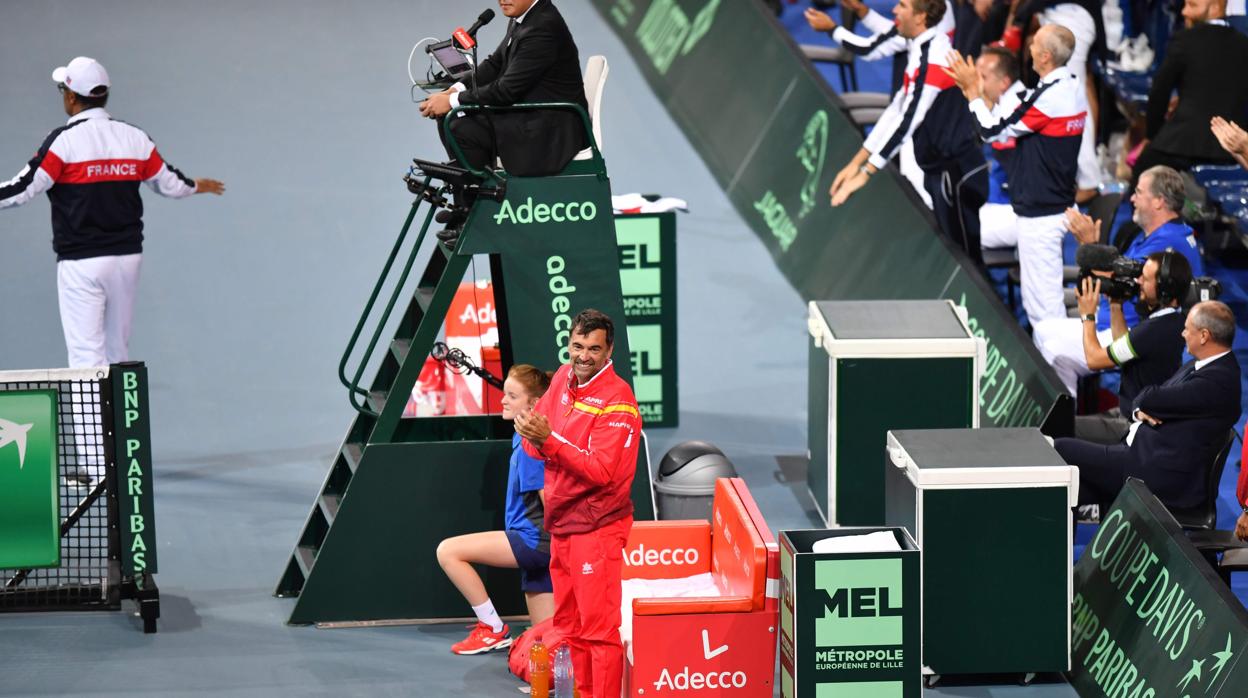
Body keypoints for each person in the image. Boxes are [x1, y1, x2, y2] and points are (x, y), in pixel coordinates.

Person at [0, 56, 225, 369]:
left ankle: (89, 421)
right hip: (126, 260)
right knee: (118, 354)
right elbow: (171, 184)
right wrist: (196, 185)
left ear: (69, 96)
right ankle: (119, 420)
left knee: (85, 360)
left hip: (82, 263)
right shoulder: (135, 138)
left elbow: (21, 189)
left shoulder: (63, 142)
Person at [514, 309, 641, 698]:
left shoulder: (618, 402)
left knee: (598, 633)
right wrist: (538, 439)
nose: (583, 356)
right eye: (577, 346)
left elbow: (601, 470)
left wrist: (547, 441)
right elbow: (536, 447)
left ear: (610, 350)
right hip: (563, 523)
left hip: (597, 529)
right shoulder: (563, 381)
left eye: (593, 349)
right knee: (570, 626)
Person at [824, 0, 989, 265]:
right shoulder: (919, 46)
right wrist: (855, 163)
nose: (894, 10)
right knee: (953, 251)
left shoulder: (932, 60)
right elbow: (896, 110)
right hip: (937, 166)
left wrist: (865, 175)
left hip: (956, 174)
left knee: (967, 260)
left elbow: (906, 123)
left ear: (921, 17)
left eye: (902, 5)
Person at [946, 24, 1087, 326]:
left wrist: (972, 92)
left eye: (1034, 44)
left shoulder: (1052, 98)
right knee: (960, 220)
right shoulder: (1068, 85)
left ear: (1046, 56)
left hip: (1041, 217)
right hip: (1037, 208)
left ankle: (1059, 373)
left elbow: (990, 130)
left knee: (1045, 317)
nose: (1029, 47)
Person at [418, 0, 588, 244]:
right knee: (448, 117)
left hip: (549, 131)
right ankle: (466, 207)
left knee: (460, 127)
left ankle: (478, 217)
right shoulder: (525, 16)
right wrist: (452, 90)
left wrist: (454, 101)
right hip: (534, 115)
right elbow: (495, 64)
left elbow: (505, 91)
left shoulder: (543, 28)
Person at [1054, 301, 1242, 512]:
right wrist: (1141, 408)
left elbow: (1150, 398)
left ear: (1204, 336)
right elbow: (1146, 397)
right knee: (1072, 489)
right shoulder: (1202, 365)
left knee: (1060, 449)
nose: (1182, 334)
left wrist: (1146, 405)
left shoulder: (1217, 382)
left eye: (1187, 329)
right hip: (1148, 455)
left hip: (1160, 473)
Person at [1032, 165, 1204, 393]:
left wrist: (1088, 245)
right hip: (1118, 320)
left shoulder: (1167, 245)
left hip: (1133, 334)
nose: (1132, 198)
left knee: (1055, 352)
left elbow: (1123, 284)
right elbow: (1121, 276)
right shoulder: (1163, 233)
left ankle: (1062, 422)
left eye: (1139, 192)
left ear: (1158, 201)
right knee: (1042, 330)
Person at [436, 364, 555, 655]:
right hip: (537, 546)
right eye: (505, 394)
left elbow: (549, 503)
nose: (503, 401)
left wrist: (568, 548)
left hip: (533, 541)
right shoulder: (523, 436)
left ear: (534, 403)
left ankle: (491, 627)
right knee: (545, 645)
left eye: (512, 396)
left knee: (448, 551)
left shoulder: (530, 445)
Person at [1069, 251, 1192, 444]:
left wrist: (1088, 316)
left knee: (1059, 428)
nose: (1139, 281)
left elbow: (1094, 360)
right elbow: (1125, 347)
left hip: (1131, 428)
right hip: (1131, 414)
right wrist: (1116, 305)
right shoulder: (1172, 320)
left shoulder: (1153, 330)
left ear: (1164, 289)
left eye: (1146, 278)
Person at [1130, 0, 1248, 193]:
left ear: (1216, 7)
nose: (1184, 12)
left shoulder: (1184, 39)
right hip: (1231, 150)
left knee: (1142, 181)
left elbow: (1159, 92)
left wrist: (1152, 136)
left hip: (1182, 144)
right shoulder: (1244, 44)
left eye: (1192, 5)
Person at [974, 46, 1027, 250]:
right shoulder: (1004, 104)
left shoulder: (1015, 114)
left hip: (1015, 209)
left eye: (983, 77)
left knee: (955, 228)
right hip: (1001, 200)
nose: (976, 84)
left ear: (1004, 83)